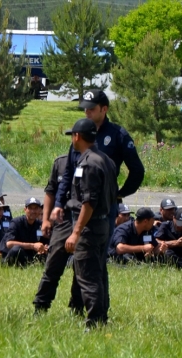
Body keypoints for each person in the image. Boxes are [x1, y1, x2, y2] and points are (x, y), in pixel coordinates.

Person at [51, 90, 144, 318]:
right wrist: (59, 203)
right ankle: (76, 305)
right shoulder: (81, 132)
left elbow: (137, 170)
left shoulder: (118, 135)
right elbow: (68, 171)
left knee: (97, 259)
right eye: (85, 108)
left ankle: (99, 311)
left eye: (92, 108)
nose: (87, 112)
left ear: (104, 109)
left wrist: (119, 194)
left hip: (102, 209)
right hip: (76, 207)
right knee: (80, 257)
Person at [62, 118, 116, 329]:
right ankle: (101, 317)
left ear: (77, 136)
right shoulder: (106, 159)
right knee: (99, 271)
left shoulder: (87, 163)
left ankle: (94, 322)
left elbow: (88, 201)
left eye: (73, 135)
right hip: (103, 224)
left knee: (87, 275)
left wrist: (76, 232)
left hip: (89, 226)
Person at [33, 154, 84, 314]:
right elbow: (50, 192)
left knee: (82, 267)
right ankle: (40, 307)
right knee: (53, 264)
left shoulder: (95, 161)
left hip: (86, 216)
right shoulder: (61, 162)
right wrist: (46, 220)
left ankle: (77, 307)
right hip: (63, 218)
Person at [0, 197, 47, 267]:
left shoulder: (40, 224)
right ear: (25, 209)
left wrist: (44, 248)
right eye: (30, 208)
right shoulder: (16, 222)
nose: (33, 211)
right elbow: (9, 244)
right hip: (13, 255)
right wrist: (33, 246)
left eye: (35, 208)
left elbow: (47, 242)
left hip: (29, 256)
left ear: (40, 210)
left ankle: (32, 264)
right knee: (16, 249)